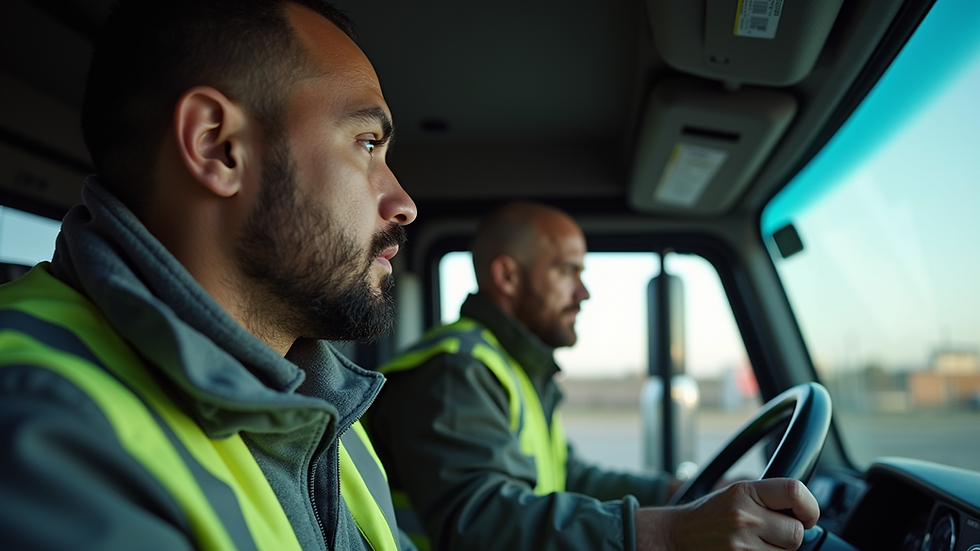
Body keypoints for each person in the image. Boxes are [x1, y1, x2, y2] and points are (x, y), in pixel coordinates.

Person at [0, 1, 419, 550]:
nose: (404, 203)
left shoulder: (328, 406)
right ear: (218, 147)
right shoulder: (43, 420)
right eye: (367, 144)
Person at [366, 201, 819, 551]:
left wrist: (684, 492)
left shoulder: (511, 366)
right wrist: (670, 533)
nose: (583, 293)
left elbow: (570, 476)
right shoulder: (454, 371)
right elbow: (481, 522)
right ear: (507, 277)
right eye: (567, 271)